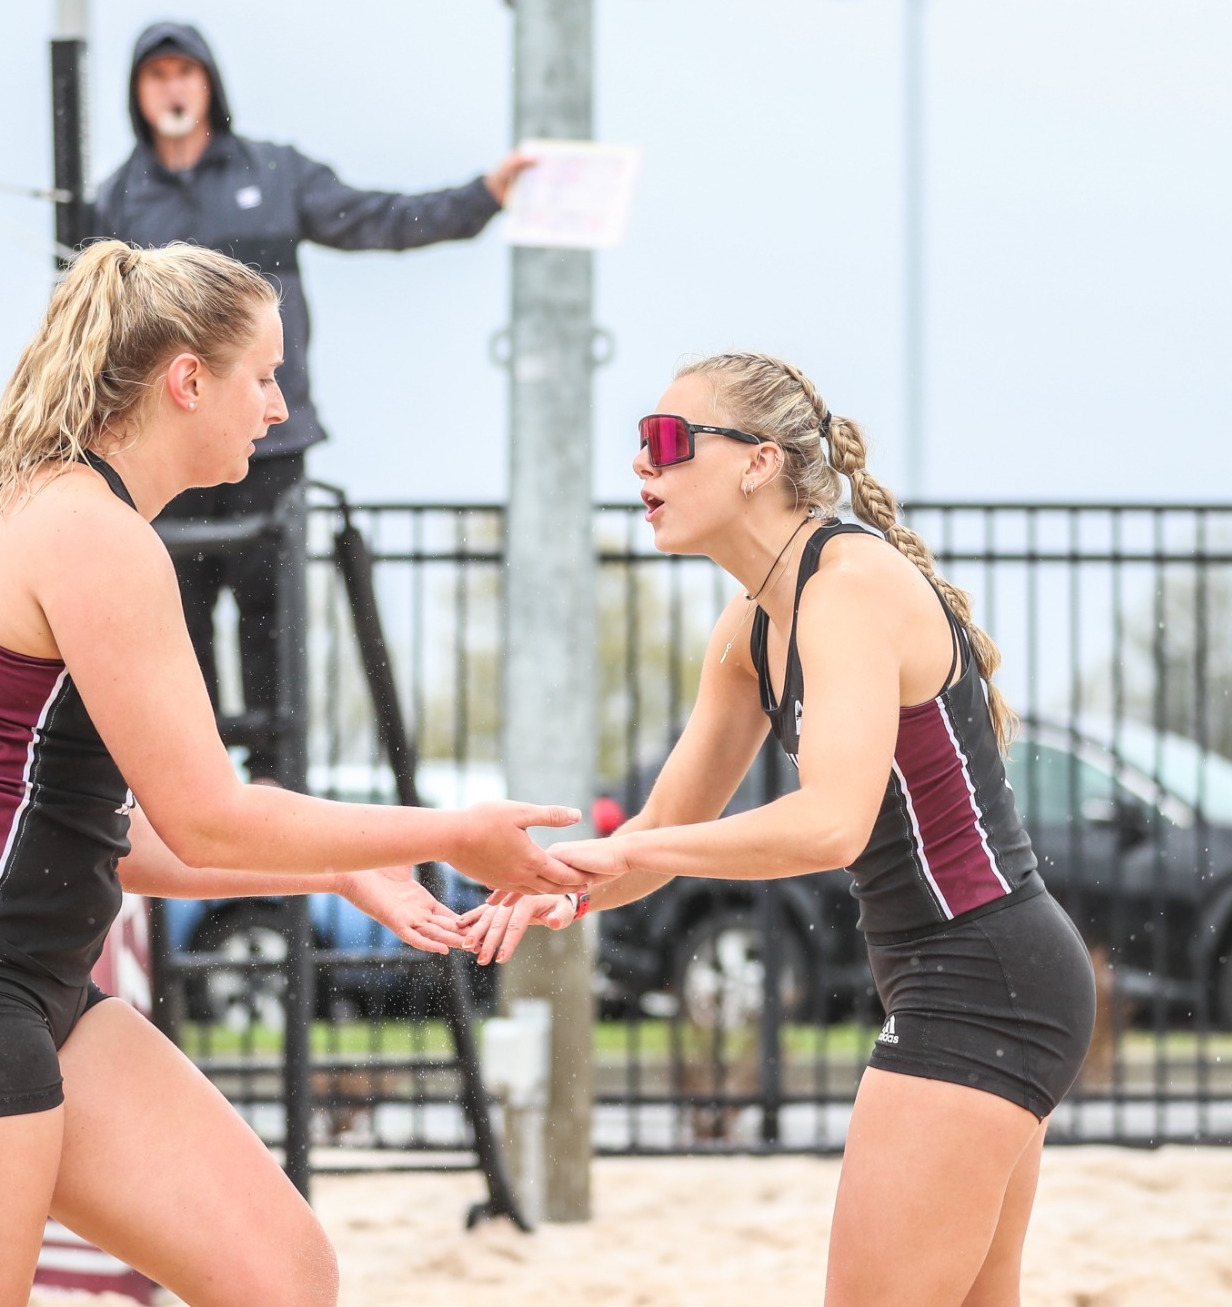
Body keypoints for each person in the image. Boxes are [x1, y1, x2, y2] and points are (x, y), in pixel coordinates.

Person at [0, 241, 604, 1307]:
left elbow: (140, 844)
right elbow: (213, 815)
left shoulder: (88, 522)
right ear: (185, 379)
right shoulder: (87, 531)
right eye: (262, 375)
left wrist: (341, 870)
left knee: (281, 1272)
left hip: (27, 991)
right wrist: (443, 833)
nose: (277, 406)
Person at [462, 354, 1096, 1306]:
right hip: (979, 975)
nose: (643, 467)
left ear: (758, 461)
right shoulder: (754, 625)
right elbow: (667, 823)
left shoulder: (846, 587)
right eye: (642, 444)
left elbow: (829, 825)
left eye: (668, 441)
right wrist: (566, 883)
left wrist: (632, 851)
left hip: (984, 977)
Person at [90, 21, 534, 783]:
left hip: (269, 448)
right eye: (155, 74)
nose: (172, 87)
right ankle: (193, 788)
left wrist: (483, 197)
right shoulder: (117, 201)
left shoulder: (275, 172)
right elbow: (89, 331)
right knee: (175, 628)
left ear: (209, 85)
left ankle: (272, 792)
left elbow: (380, 219)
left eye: (185, 72)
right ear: (138, 93)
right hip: (165, 460)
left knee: (272, 635)